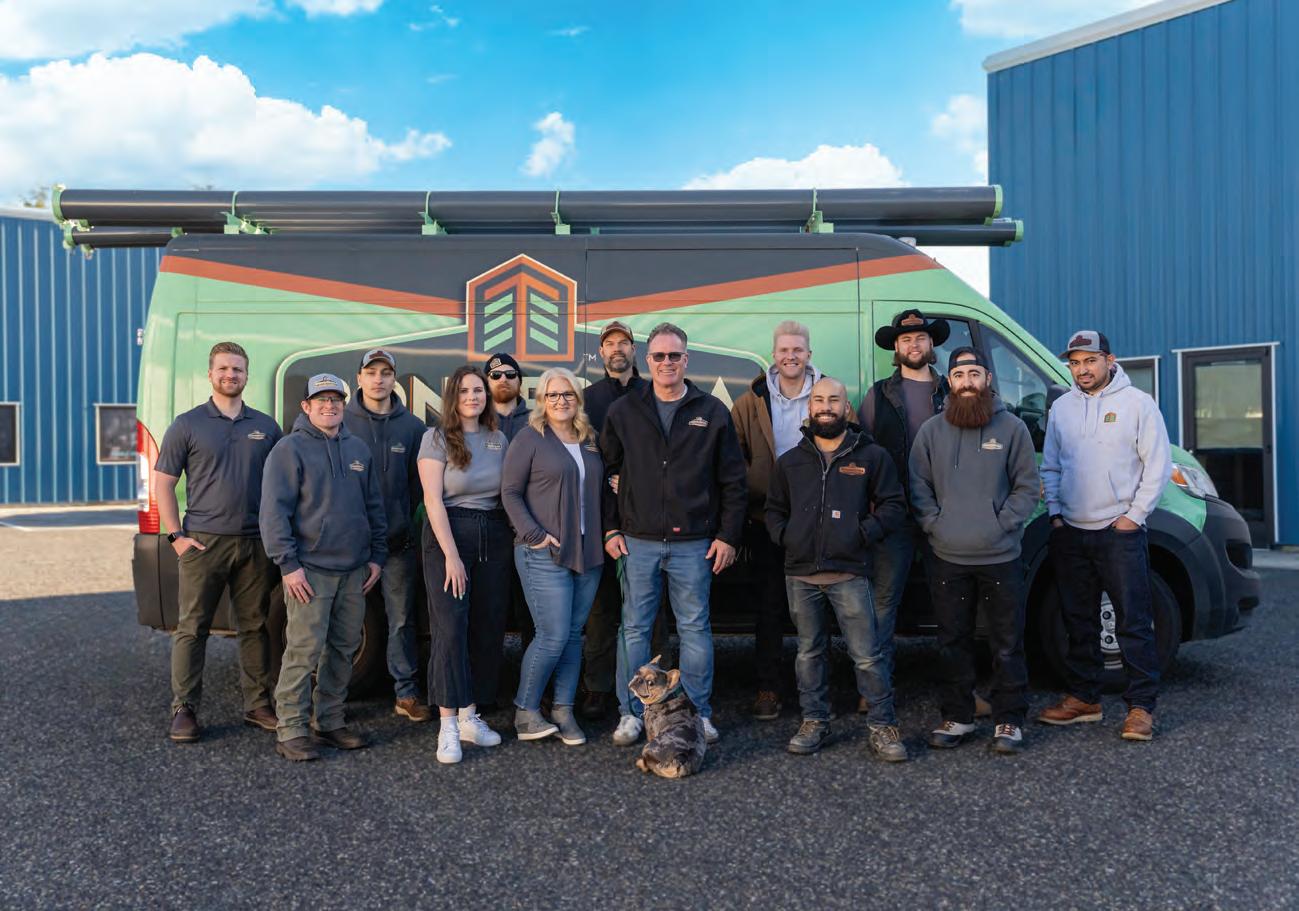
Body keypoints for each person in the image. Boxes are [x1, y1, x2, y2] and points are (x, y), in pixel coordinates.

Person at [601, 322, 747, 747]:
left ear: (686, 359)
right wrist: (610, 528)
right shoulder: (624, 411)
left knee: (695, 628)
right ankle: (631, 714)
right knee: (634, 629)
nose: (667, 362)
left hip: (695, 543)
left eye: (674, 355)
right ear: (647, 361)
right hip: (637, 541)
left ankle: (698, 714)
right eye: (659, 356)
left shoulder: (712, 411)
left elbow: (733, 480)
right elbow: (604, 473)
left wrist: (728, 536)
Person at [1037, 330, 1172, 742]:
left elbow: (1158, 466)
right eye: (1075, 363)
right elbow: (1051, 465)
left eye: (1090, 361)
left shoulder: (1138, 404)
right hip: (1071, 531)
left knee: (1133, 622)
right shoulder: (1062, 408)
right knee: (1078, 621)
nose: (1082, 370)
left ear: (1109, 361)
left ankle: (1141, 707)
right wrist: (1056, 515)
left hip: (1119, 533)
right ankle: (1084, 699)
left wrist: (1134, 517)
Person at [765, 377, 908, 760]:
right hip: (801, 574)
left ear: (847, 408)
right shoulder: (790, 462)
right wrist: (788, 537)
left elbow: (894, 505)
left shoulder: (871, 456)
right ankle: (814, 721)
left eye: (834, 400)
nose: (825, 407)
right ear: (809, 408)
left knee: (868, 654)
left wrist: (861, 534)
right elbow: (773, 510)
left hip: (850, 573)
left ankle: (883, 726)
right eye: (819, 400)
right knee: (809, 653)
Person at [909, 348, 1040, 755]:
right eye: (960, 375)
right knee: (953, 641)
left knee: (1006, 642)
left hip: (1001, 556)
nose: (967, 382)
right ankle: (958, 716)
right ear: (949, 381)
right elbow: (918, 486)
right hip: (948, 555)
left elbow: (1027, 487)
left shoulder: (1013, 428)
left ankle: (1009, 719)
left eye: (975, 374)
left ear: (987, 379)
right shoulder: (930, 431)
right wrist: (936, 524)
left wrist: (1001, 524)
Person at [155, 341, 282, 743]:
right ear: (210, 374)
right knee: (193, 628)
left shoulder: (266, 427)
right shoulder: (187, 424)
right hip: (203, 543)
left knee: (255, 626)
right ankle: (184, 709)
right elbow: (163, 483)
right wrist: (176, 536)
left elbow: (283, 483)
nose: (230, 375)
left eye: (237, 369)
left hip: (255, 544)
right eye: (223, 368)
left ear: (247, 376)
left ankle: (257, 705)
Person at [260, 373, 387, 762]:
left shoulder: (358, 449)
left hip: (354, 570)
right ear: (306, 406)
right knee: (303, 651)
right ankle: (291, 729)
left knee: (343, 649)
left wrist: (376, 556)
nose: (329, 406)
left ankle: (329, 721)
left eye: (335, 399)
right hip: (310, 572)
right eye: (321, 400)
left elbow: (374, 507)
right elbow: (274, 513)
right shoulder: (289, 449)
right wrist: (288, 566)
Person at [502, 367, 606, 746]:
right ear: (542, 401)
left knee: (574, 636)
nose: (561, 401)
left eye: (567, 394)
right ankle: (526, 712)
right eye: (553, 395)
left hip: (587, 551)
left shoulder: (590, 439)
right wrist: (534, 535)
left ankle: (564, 710)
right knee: (552, 635)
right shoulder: (530, 438)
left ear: (577, 399)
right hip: (544, 552)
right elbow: (510, 492)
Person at [417, 365, 511, 764]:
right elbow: (432, 500)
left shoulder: (498, 438)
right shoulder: (436, 438)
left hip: (493, 534)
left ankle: (470, 717)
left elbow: (510, 491)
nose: (473, 397)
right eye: (465, 391)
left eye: (479, 390)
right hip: (449, 536)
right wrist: (452, 556)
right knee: (450, 629)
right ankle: (448, 727)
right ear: (452, 397)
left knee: (486, 628)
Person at [857, 309, 951, 711]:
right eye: (906, 339)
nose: (914, 344)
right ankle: (875, 691)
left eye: (920, 337)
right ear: (896, 348)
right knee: (883, 604)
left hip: (944, 513)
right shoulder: (878, 395)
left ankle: (959, 692)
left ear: (931, 344)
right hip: (892, 513)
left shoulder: (952, 391)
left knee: (952, 603)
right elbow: (862, 451)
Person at [732, 320, 822, 721]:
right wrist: (756, 484)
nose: (791, 356)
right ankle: (768, 687)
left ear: (808, 354)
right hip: (766, 518)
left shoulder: (827, 395)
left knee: (815, 610)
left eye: (798, 349)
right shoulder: (750, 401)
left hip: (818, 521)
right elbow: (732, 456)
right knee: (769, 607)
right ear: (774, 355)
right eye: (784, 350)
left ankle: (814, 690)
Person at [343, 347, 431, 724]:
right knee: (343, 621)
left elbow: (418, 487)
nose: (378, 379)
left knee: (401, 621)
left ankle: (406, 693)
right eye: (371, 372)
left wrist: (401, 524)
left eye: (385, 373)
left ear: (395, 379)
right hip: (349, 548)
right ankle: (331, 698)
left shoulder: (412, 427)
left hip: (397, 546)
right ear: (359, 378)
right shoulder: (339, 421)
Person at [485, 352, 530, 441]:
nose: (503, 379)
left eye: (510, 374)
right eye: (496, 375)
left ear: (519, 382)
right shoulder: (477, 421)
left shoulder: (537, 422)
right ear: (486, 383)